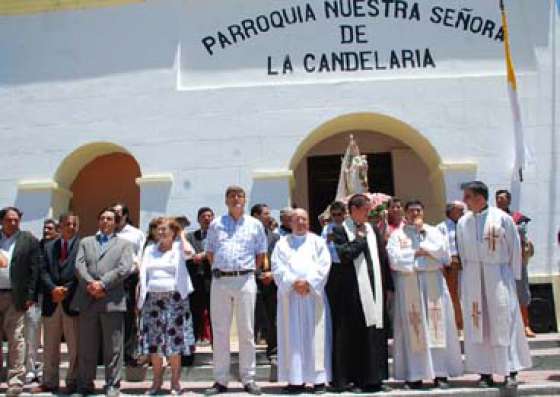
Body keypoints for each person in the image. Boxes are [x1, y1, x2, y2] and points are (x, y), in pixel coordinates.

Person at [457, 181, 531, 388]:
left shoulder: (502, 218)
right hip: (474, 276)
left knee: (503, 320)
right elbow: (462, 252)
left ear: (480, 197)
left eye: (468, 196)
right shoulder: (464, 222)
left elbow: (514, 248)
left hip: (498, 274)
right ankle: (485, 372)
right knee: (479, 324)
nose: (464, 201)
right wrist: (469, 275)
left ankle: (509, 370)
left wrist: (512, 277)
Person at [388, 200, 463, 389]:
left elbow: (444, 254)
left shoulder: (433, 232)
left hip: (433, 283)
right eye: (411, 210)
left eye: (418, 210)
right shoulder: (398, 235)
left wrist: (425, 249)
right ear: (405, 214)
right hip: (409, 282)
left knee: (437, 327)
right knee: (414, 329)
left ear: (423, 212)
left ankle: (440, 373)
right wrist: (416, 254)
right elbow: (394, 259)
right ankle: (415, 375)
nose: (415, 214)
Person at [204, 186, 267, 396]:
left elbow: (261, 254)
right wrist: (221, 270)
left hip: (245, 279)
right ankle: (220, 380)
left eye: (239, 196)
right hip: (221, 280)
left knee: (247, 331)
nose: (236, 199)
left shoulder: (255, 224)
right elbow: (210, 252)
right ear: (226, 200)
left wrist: (248, 271)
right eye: (231, 196)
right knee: (220, 331)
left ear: (245, 199)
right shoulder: (216, 224)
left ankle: (248, 378)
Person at [330, 194, 393, 393]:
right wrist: (359, 239)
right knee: (355, 334)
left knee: (375, 333)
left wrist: (389, 286)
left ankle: (376, 378)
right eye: (365, 209)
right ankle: (356, 379)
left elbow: (383, 258)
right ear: (354, 210)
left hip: (376, 290)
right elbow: (345, 254)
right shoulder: (340, 230)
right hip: (352, 293)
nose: (368, 213)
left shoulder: (373, 229)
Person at [73, 207, 134, 397]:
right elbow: (79, 265)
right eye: (103, 218)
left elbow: (124, 268)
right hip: (88, 298)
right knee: (86, 346)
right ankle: (85, 384)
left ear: (115, 222)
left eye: (110, 219)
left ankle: (113, 385)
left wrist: (103, 284)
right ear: (98, 221)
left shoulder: (124, 244)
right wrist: (91, 284)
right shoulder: (86, 242)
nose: (106, 221)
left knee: (113, 347)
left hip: (112, 300)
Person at [271, 209, 331, 393]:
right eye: (296, 219)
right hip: (291, 298)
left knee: (315, 338)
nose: (300, 222)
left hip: (313, 297)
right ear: (290, 222)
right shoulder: (282, 244)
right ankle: (295, 380)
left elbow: (324, 265)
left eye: (304, 218)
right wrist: (293, 282)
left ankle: (318, 380)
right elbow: (277, 267)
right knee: (293, 339)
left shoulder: (318, 242)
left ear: (308, 221)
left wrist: (309, 283)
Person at [137, 217, 195, 395]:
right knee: (154, 343)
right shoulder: (149, 250)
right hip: (152, 301)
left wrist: (182, 235)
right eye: (158, 229)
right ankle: (156, 382)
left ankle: (175, 382)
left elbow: (190, 253)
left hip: (175, 301)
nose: (160, 232)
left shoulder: (179, 248)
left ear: (173, 232)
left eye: (165, 229)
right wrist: (139, 299)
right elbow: (142, 275)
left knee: (174, 343)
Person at [32, 213, 80, 394]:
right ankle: (49, 381)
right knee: (50, 346)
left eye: (74, 224)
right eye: (68, 223)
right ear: (60, 226)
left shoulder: (82, 246)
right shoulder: (48, 247)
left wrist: (65, 290)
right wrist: (53, 289)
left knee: (74, 346)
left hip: (72, 301)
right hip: (51, 302)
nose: (71, 227)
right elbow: (42, 271)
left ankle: (72, 381)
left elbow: (81, 271)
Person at [0, 207, 41, 396]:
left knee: (16, 338)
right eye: (9, 220)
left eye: (16, 220)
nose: (13, 223)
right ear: (2, 221)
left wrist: (31, 296)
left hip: (16, 297)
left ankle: (15, 380)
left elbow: (35, 269)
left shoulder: (28, 240)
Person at [495, 189, 536, 337]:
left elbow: (520, 233)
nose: (499, 201)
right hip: (498, 261)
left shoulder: (518, 218)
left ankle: (526, 325)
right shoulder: (491, 218)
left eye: (502, 198)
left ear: (509, 201)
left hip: (517, 260)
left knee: (522, 292)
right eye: (497, 198)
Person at [112, 203, 146, 367]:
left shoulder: (136, 234)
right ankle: (109, 352)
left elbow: (141, 257)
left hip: (129, 280)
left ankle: (128, 353)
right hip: (108, 281)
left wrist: (140, 279)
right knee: (110, 316)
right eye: (113, 212)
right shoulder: (104, 232)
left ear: (125, 215)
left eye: (118, 212)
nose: (114, 215)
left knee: (128, 317)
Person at [25, 219, 58, 384]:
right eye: (45, 228)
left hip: (52, 299)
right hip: (36, 298)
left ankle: (47, 371)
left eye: (50, 228)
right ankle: (30, 370)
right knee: (32, 335)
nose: (46, 230)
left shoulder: (59, 248)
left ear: (57, 231)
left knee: (50, 339)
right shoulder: (36, 247)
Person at [250, 203, 280, 361]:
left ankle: (273, 351)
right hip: (252, 281)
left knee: (272, 317)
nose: (269, 216)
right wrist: (258, 273)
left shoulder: (275, 237)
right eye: (265, 213)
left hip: (271, 282)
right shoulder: (248, 235)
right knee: (252, 318)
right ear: (256, 215)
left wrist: (272, 274)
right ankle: (249, 354)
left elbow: (280, 258)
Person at [437, 201, 466, 332]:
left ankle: (468, 324)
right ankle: (457, 324)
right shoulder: (441, 228)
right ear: (451, 211)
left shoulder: (465, 226)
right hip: (451, 265)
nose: (463, 213)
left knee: (466, 294)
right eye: (460, 210)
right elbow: (441, 248)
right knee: (453, 295)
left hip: (466, 264)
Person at [187, 208, 214, 345]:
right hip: (195, 281)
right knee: (195, 313)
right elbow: (185, 253)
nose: (207, 218)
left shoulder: (218, 236)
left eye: (209, 216)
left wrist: (204, 255)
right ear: (198, 220)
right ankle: (193, 344)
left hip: (213, 281)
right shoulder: (190, 237)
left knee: (214, 314)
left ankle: (216, 346)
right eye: (203, 216)